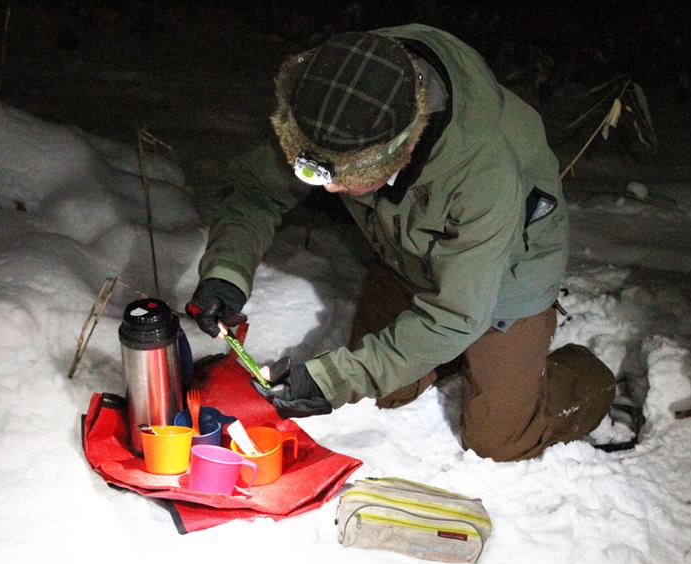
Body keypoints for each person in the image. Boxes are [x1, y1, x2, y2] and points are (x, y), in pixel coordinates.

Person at [186, 25, 616, 462]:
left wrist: (334, 379)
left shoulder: (485, 171)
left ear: (402, 148)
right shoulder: (334, 99)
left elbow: (455, 316)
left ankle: (582, 377)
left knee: (498, 441)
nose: (329, 192)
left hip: (507, 278)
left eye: (347, 179)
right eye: (318, 176)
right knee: (389, 386)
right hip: (409, 261)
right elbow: (257, 191)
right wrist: (227, 272)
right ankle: (449, 355)